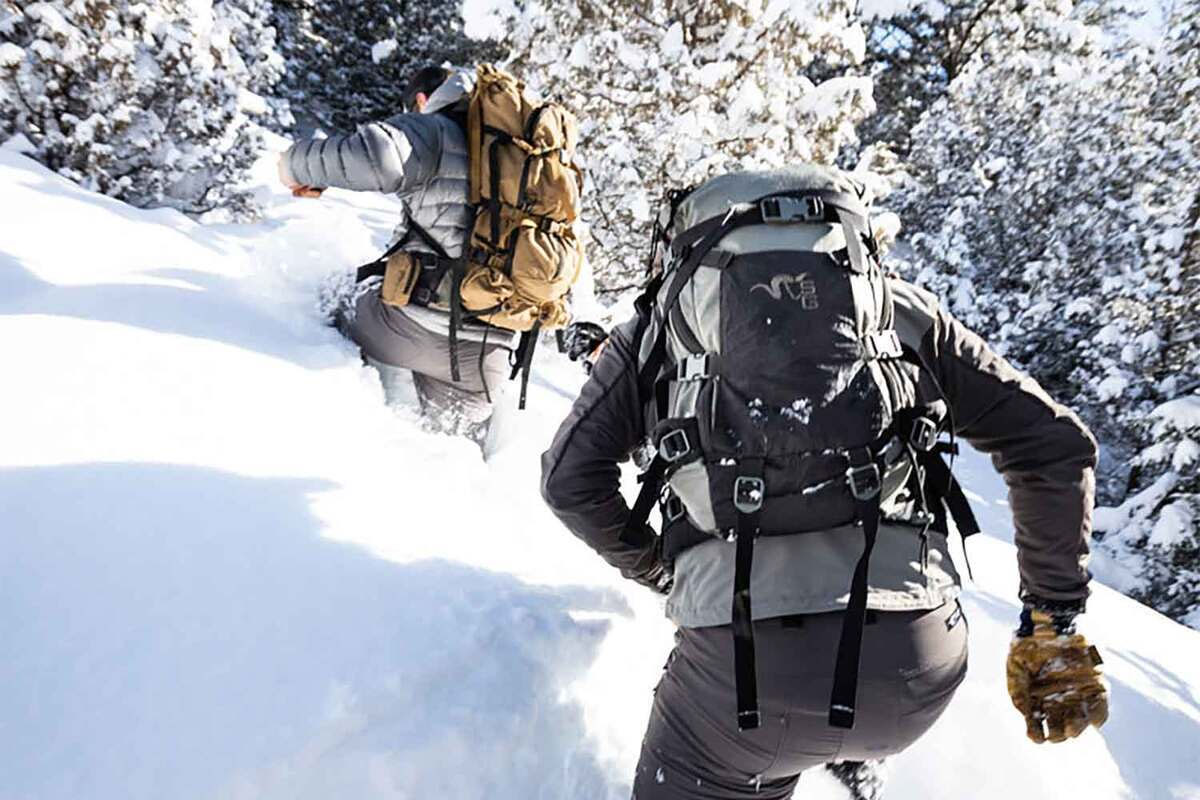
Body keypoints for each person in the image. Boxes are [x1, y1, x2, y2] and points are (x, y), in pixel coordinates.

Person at [540, 166, 1108, 799]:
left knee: (741, 747)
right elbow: (1056, 447)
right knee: (833, 716)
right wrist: (1051, 619)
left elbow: (569, 482)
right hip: (918, 665)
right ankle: (851, 759)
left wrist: (661, 570)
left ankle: (807, 746)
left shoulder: (657, 331)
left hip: (742, 689)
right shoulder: (901, 316)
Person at [278, 65, 512, 442]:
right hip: (488, 358)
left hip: (409, 330)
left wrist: (294, 166)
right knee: (450, 455)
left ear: (420, 100)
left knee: (333, 293)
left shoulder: (432, 127)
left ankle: (369, 413)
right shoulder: (518, 151)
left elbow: (378, 156)